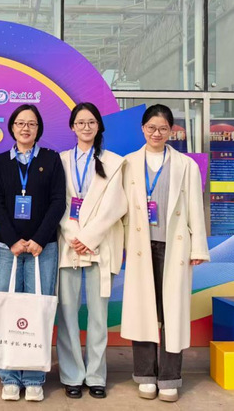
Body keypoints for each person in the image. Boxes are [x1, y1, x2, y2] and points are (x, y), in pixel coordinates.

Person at [120, 104, 210, 403]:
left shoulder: (186, 165)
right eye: (151, 128)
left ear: (171, 131)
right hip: (140, 248)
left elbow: (195, 208)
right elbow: (120, 209)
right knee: (143, 311)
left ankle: (170, 378)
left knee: (173, 312)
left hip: (175, 247)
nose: (156, 133)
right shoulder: (129, 163)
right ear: (142, 129)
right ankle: (145, 375)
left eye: (162, 128)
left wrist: (198, 247)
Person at [0, 104, 66, 402]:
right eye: (20, 123)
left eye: (31, 123)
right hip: (7, 247)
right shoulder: (0, 162)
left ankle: (34, 377)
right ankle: (9, 376)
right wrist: (12, 240)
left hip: (42, 248)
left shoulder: (51, 159)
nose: (25, 128)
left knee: (38, 308)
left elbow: (58, 202)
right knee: (8, 308)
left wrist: (38, 239)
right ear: (12, 127)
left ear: (38, 129)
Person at [56, 103, 127, 400]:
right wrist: (74, 235)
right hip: (68, 243)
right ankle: (72, 375)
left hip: (100, 243)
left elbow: (116, 205)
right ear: (72, 127)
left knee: (99, 315)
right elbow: (56, 202)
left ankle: (96, 375)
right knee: (67, 313)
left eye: (91, 122)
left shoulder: (115, 162)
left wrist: (89, 237)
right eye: (80, 122)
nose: (86, 127)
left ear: (99, 126)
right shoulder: (59, 160)